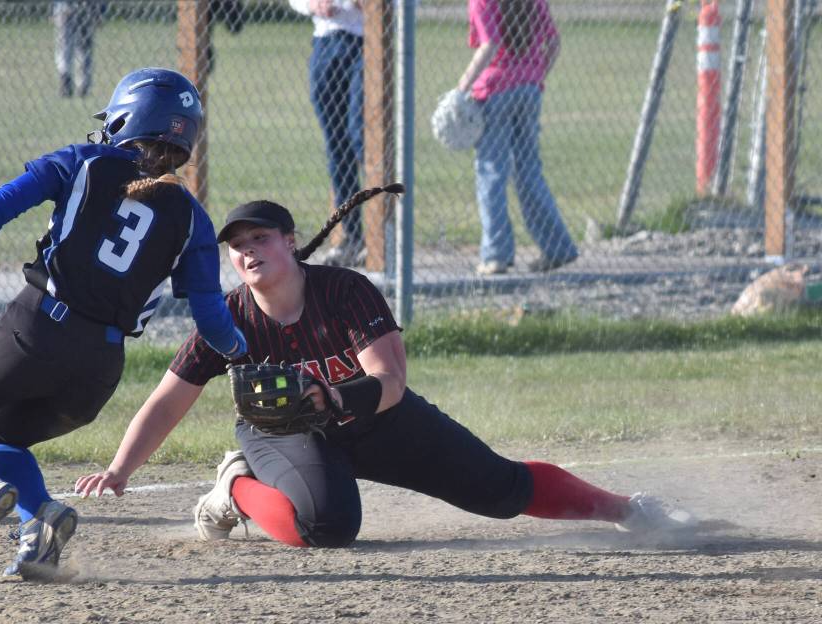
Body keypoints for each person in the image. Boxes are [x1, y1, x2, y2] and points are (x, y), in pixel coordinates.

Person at [75, 198, 696, 548]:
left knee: (499, 492)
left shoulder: (345, 292)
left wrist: (330, 393)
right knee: (327, 527)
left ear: (291, 243)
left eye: (260, 238)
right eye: (237, 245)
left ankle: (629, 509)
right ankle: (236, 488)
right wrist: (120, 471)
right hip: (280, 435)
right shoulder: (228, 316)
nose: (247, 252)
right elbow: (169, 397)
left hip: (372, 415)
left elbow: (390, 381)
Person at [0, 68, 247, 579]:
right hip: (98, 374)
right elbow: (210, 317)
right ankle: (42, 520)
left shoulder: (85, 161)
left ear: (127, 118)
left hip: (35, 332)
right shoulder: (193, 218)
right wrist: (241, 350)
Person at [456, 0, 578, 275]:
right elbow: (554, 43)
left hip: (495, 93)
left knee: (492, 173)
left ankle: (496, 255)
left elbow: (490, 46)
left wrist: (460, 90)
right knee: (529, 172)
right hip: (529, 90)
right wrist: (534, 75)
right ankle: (557, 247)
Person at [289, 0, 365, 266]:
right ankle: (352, 237)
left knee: (362, 136)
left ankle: (385, 235)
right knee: (337, 144)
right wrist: (312, 4)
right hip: (325, 42)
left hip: (368, 43)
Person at [53, 0, 102, 98]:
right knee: (66, 47)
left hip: (86, 8)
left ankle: (83, 85)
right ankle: (66, 81)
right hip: (67, 7)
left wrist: (98, 10)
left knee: (83, 48)